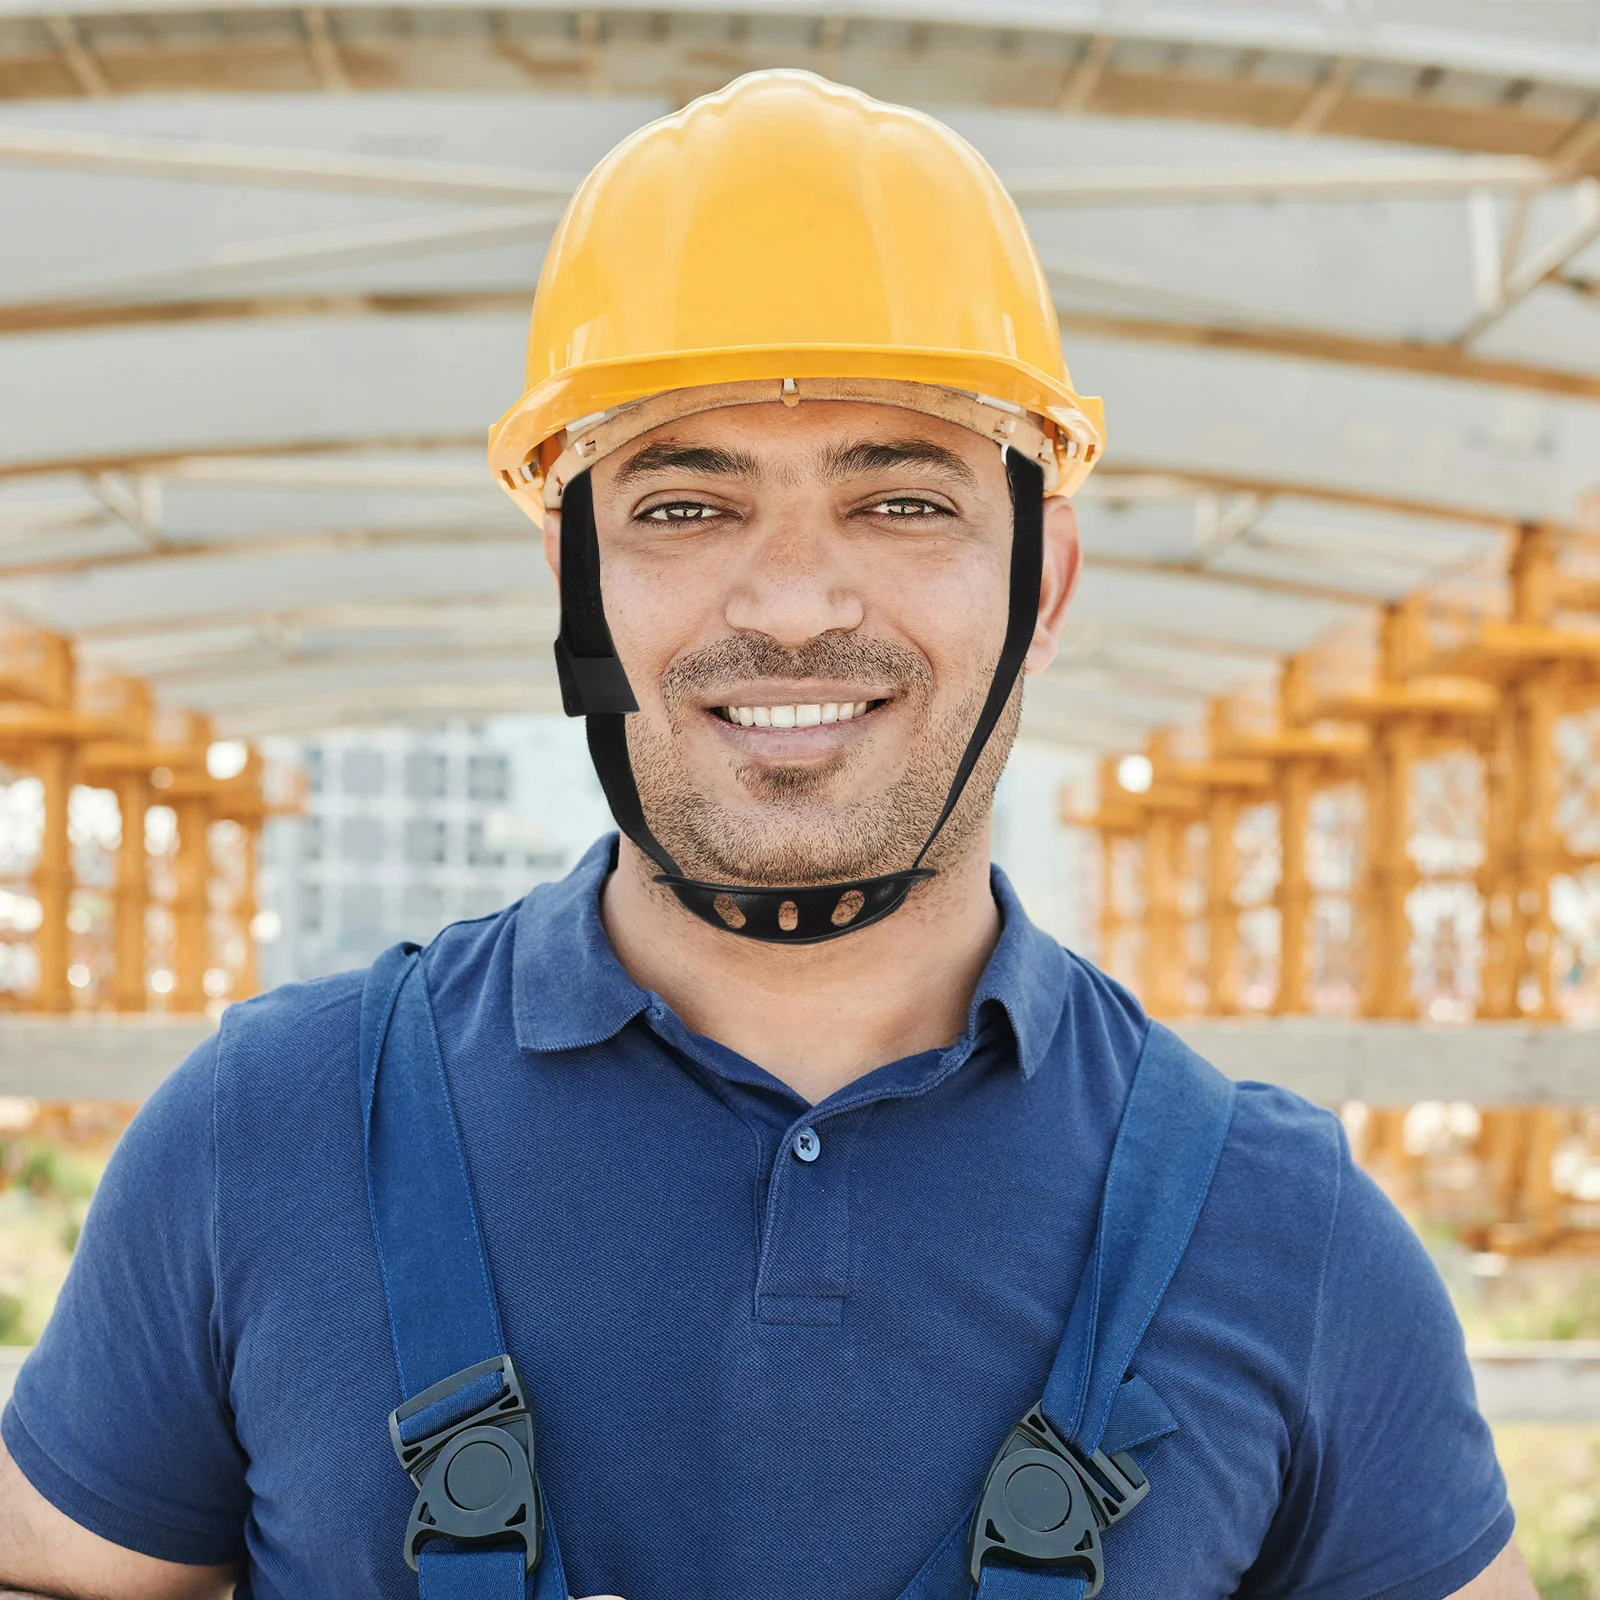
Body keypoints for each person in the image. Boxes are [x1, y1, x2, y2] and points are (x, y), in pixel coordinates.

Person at [0, 70, 1531, 1600]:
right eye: (682, 506)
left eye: (903, 502)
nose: (793, 603)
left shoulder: (1291, 1237)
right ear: (572, 581)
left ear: (1044, 588)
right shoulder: (266, 1140)